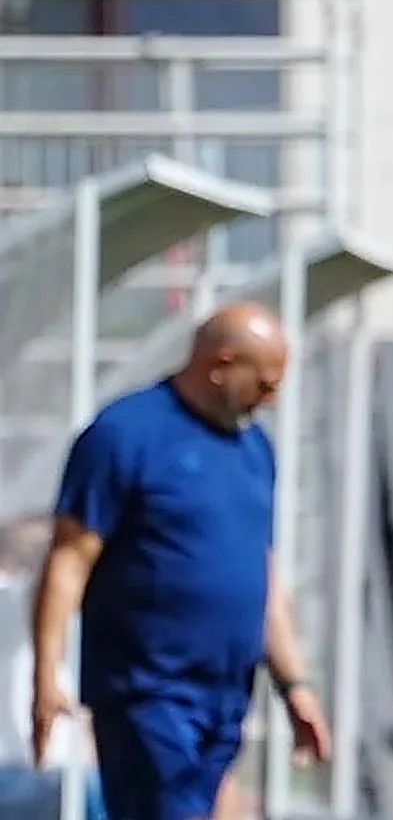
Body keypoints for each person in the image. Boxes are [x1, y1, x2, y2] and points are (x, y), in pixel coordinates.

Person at [31, 301, 332, 820]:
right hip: (147, 693)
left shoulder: (255, 450)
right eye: (263, 384)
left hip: (226, 695)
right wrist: (46, 671)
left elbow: (260, 576)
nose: (272, 398)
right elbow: (68, 561)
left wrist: (295, 685)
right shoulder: (124, 434)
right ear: (220, 365)